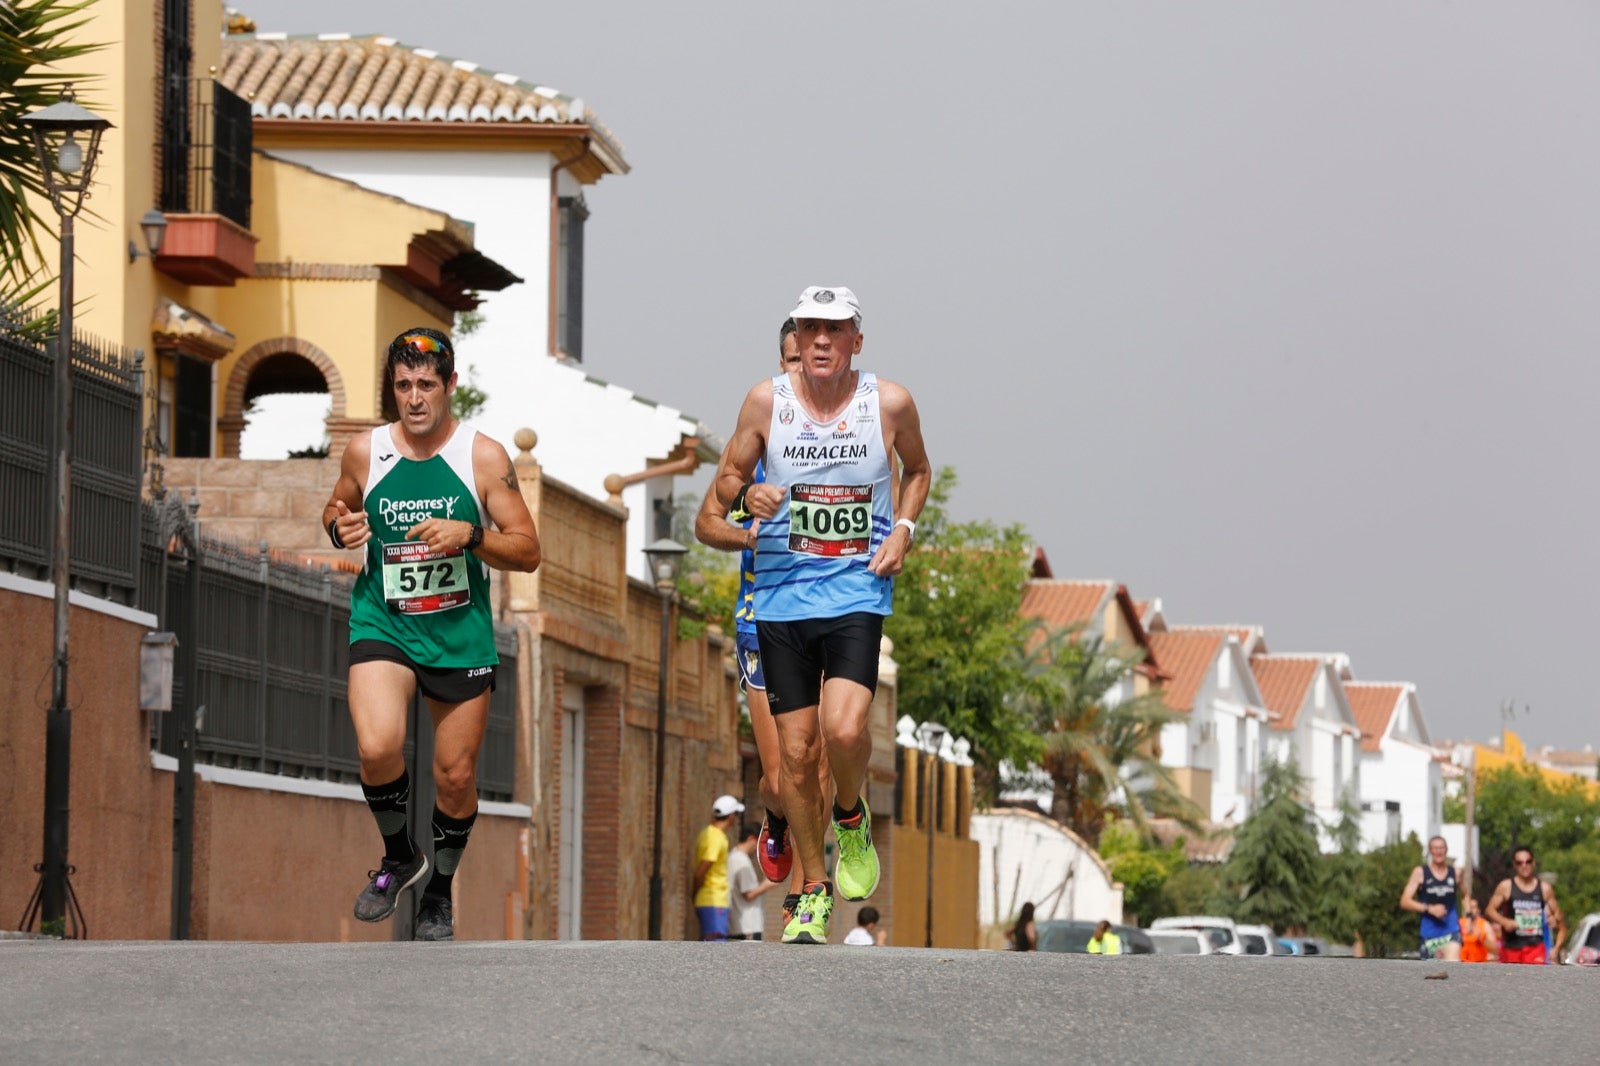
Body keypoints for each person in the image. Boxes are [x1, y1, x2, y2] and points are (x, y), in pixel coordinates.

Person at [710, 285, 931, 945]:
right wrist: (748, 492)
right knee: (796, 756)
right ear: (798, 340)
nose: (822, 340)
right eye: (811, 329)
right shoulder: (764, 402)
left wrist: (904, 530)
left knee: (844, 727)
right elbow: (725, 482)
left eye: (835, 329)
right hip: (780, 599)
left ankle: (851, 816)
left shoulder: (889, 403)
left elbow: (918, 470)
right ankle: (812, 890)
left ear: (857, 340)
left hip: (857, 591)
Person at [324, 326, 541, 941]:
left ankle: (439, 891)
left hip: (458, 634)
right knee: (377, 746)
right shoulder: (365, 452)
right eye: (403, 386)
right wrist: (339, 528)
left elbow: (527, 551)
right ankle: (399, 856)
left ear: (450, 386)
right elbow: (337, 508)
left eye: (426, 384)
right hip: (384, 621)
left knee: (455, 777)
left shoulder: (482, 457)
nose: (415, 398)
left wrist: (469, 535)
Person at [695, 319, 831, 923]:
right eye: (793, 360)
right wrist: (750, 532)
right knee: (780, 777)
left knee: (817, 761)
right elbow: (706, 523)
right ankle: (775, 814)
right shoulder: (759, 433)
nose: (804, 370)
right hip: (763, 620)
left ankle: (808, 891)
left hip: (831, 616)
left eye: (814, 360)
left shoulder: (852, 440)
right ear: (782, 364)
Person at [1486, 845, 1567, 965]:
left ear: (1533, 863)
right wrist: (1504, 921)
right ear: (1514, 865)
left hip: (1535, 948)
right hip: (1512, 948)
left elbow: (1560, 919)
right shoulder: (1506, 886)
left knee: (1534, 977)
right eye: (1519, 863)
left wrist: (1554, 921)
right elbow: (1490, 910)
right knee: (1511, 977)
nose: (1524, 865)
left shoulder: (1544, 888)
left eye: (1528, 861)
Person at [1400, 835, 1462, 961]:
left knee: (1452, 963)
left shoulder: (1456, 873)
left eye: (1441, 848)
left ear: (1446, 850)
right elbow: (1404, 901)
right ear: (1430, 851)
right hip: (1429, 933)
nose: (1439, 851)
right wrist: (1430, 909)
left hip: (1451, 931)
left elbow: (1466, 896)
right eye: (1435, 848)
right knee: (1432, 971)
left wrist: (1469, 917)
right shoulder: (1420, 873)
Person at [693, 794, 744, 941]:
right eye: (736, 814)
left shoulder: (707, 833)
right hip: (714, 900)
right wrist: (694, 893)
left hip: (708, 899)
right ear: (731, 816)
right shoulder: (716, 837)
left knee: (710, 944)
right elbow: (703, 869)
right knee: (716, 947)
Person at [727, 821, 784, 940]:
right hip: (748, 927)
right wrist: (767, 884)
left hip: (740, 926)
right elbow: (749, 894)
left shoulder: (734, 856)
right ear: (752, 839)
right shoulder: (741, 861)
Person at [1459, 896, 1498, 963]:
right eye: (1468, 907)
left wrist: (1481, 937)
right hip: (1460, 965)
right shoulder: (1458, 923)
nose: (1470, 910)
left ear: (1478, 910)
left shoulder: (1485, 925)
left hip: (1479, 964)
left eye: (1473, 907)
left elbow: (1495, 950)